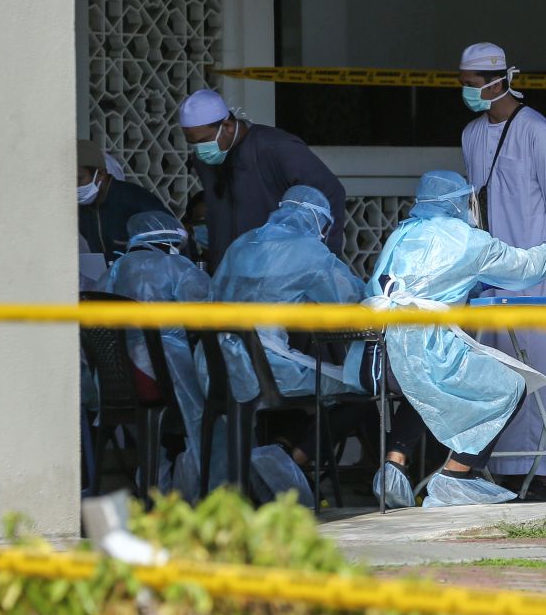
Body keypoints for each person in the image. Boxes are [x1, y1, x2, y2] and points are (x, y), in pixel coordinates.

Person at [344, 170, 546, 508]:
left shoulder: (402, 233)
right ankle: (457, 476)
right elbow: (523, 266)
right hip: (423, 349)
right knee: (512, 385)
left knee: (424, 391)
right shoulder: (468, 240)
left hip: (377, 355)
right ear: (460, 201)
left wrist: (467, 286)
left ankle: (394, 467)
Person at [459, 42, 546, 498]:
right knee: (498, 370)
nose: (467, 92)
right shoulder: (470, 134)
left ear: (498, 81)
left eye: (473, 85)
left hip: (538, 271)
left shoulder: (535, 130)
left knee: (542, 369)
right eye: (463, 84)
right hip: (490, 274)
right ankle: (503, 468)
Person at [212, 185, 364, 407]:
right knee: (359, 385)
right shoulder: (309, 250)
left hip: (214, 365)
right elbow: (348, 299)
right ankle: (302, 443)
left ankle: (288, 441)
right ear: (315, 218)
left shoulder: (243, 242)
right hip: (266, 367)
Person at [99, 211, 210, 499]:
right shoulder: (175, 266)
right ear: (171, 238)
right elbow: (209, 309)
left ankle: (154, 495)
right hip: (162, 376)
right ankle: (205, 494)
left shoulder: (115, 268)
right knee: (212, 413)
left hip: (119, 379)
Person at [178, 89, 347, 270]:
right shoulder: (205, 161)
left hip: (278, 270)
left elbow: (329, 193)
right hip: (230, 273)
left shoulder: (275, 147)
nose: (200, 150)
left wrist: (323, 259)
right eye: (193, 143)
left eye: (204, 141)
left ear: (227, 126)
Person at [77, 139, 166, 262]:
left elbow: (167, 250)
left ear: (100, 174)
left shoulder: (136, 200)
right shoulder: (84, 208)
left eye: (79, 178)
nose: (73, 186)